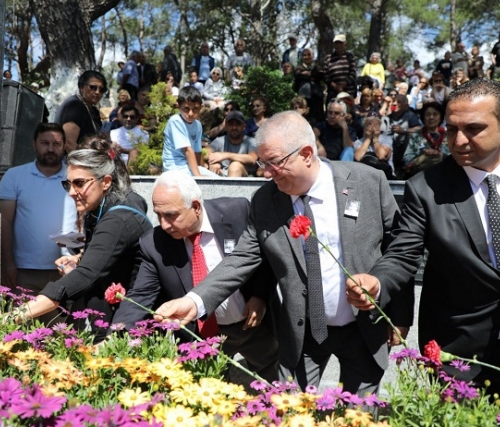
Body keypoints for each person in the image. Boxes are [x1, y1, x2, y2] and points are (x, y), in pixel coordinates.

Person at [346, 78, 500, 414]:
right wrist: (377, 282)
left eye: (473, 129)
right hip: (459, 360)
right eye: (451, 128)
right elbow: (403, 252)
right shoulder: (425, 188)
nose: (458, 140)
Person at [155, 110, 413, 397]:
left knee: (357, 415)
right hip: (302, 334)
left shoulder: (368, 183)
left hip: (362, 328)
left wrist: (399, 312)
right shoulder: (266, 201)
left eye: (274, 163)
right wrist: (195, 302)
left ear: (305, 153)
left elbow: (399, 249)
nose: (266, 172)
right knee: (290, 411)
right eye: (263, 163)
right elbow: (242, 258)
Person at [0, 139, 153, 342]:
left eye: (79, 183)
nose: (72, 192)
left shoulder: (118, 218)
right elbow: (111, 250)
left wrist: (6, 319)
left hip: (127, 323)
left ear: (106, 182)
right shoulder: (121, 200)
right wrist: (81, 257)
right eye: (68, 184)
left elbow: (84, 276)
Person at [113, 172, 279, 382]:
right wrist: (115, 336)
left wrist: (260, 295)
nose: (164, 224)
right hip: (203, 335)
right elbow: (140, 295)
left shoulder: (237, 212)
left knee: (275, 382)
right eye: (159, 214)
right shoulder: (154, 243)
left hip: (254, 326)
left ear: (196, 207)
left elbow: (265, 256)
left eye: (171, 215)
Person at [0, 123, 78, 324]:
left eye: (56, 144)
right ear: (34, 144)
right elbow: (4, 222)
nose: (51, 149)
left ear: (64, 146)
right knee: (20, 333)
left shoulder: (75, 178)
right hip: (23, 271)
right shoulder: (15, 176)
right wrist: (7, 263)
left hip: (65, 270)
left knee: (60, 335)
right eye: (45, 143)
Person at [161, 86, 217, 177]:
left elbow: (197, 152)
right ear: (178, 106)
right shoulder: (175, 121)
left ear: (201, 107)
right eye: (186, 108)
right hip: (174, 167)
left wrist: (200, 169)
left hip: (188, 167)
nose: (190, 113)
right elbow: (187, 150)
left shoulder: (198, 125)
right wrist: (198, 177)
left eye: (195, 109)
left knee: (216, 179)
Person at [54, 70, 106, 153]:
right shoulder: (75, 105)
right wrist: (87, 163)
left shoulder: (93, 111)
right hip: (75, 162)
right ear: (82, 87)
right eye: (93, 87)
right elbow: (69, 144)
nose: (97, 92)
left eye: (101, 89)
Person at [402, 102, 449, 177]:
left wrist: (440, 155)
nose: (431, 117)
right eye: (427, 114)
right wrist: (423, 157)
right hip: (421, 175)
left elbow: (455, 158)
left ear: (441, 117)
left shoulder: (448, 136)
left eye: (435, 114)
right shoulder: (416, 136)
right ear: (423, 117)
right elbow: (407, 159)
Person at [207, 110, 258, 177]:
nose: (234, 127)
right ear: (226, 126)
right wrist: (214, 163)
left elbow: (252, 159)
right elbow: (205, 153)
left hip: (246, 179)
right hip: (222, 175)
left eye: (238, 124)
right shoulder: (219, 141)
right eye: (231, 124)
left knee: (235, 166)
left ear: (244, 127)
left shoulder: (251, 141)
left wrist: (226, 155)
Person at [323, 34, 357, 104]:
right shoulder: (328, 58)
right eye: (336, 43)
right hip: (333, 92)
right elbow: (325, 75)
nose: (338, 45)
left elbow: (353, 72)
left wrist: (343, 85)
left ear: (345, 44)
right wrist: (335, 86)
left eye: (340, 43)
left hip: (348, 91)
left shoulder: (350, 56)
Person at [294, 48, 325, 122]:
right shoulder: (298, 67)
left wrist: (308, 74)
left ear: (313, 56)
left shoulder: (317, 66)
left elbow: (321, 75)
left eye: (309, 55)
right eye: (304, 55)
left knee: (317, 119)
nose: (307, 57)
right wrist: (312, 75)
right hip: (303, 98)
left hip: (316, 98)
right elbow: (298, 75)